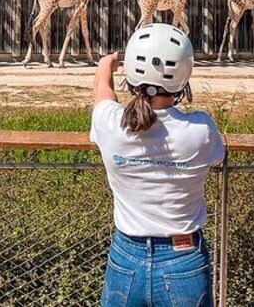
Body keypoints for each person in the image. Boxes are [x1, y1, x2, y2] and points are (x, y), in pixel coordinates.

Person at [91, 23, 225, 307]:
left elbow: (103, 93)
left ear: (131, 75)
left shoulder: (111, 124)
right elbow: (218, 156)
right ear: (183, 76)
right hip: (183, 257)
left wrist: (106, 65)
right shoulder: (201, 128)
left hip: (126, 256)